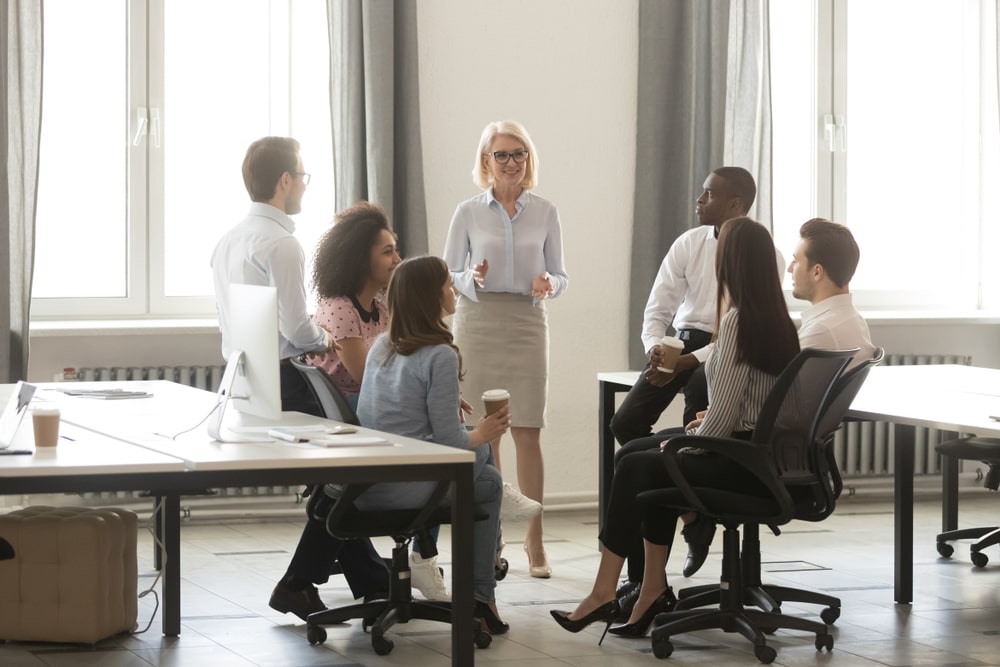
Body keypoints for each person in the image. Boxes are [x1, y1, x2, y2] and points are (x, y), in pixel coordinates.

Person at [551, 217, 800, 641]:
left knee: (637, 465)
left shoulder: (740, 322)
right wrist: (702, 427)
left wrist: (686, 443)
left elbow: (723, 420)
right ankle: (650, 591)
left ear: (732, 265)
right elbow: (751, 404)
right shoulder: (776, 321)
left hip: (740, 461)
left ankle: (604, 592)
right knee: (635, 454)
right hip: (755, 455)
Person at [612, 216, 877, 612]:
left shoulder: (814, 335)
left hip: (760, 462)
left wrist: (710, 428)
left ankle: (643, 586)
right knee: (642, 450)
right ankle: (648, 582)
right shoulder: (850, 324)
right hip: (793, 462)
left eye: (797, 260)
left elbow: (775, 407)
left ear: (818, 270)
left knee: (641, 460)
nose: (789, 268)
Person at [210, 137, 388, 621]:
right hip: (287, 379)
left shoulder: (228, 240)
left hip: (244, 381)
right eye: (303, 177)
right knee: (351, 473)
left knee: (335, 480)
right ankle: (303, 582)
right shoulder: (282, 243)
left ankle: (367, 579)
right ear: (284, 181)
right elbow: (296, 329)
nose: (305, 186)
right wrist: (327, 337)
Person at [356, 255, 512, 633]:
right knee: (487, 477)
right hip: (409, 487)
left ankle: (486, 586)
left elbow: (375, 413)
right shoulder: (439, 355)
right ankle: (480, 599)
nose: (454, 288)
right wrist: (486, 433)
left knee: (484, 471)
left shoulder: (381, 346)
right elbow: (450, 443)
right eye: (447, 284)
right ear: (430, 297)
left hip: (367, 485)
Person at [443, 120, 567, 578]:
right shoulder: (468, 212)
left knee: (528, 430)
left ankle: (535, 541)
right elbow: (448, 274)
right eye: (502, 155)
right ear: (485, 161)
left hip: (527, 321)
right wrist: (469, 279)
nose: (512, 162)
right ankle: (491, 540)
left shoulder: (546, 211)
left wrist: (549, 283)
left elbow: (561, 275)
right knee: (486, 431)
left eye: (519, 154)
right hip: (478, 322)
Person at [610, 167, 776, 448]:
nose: (699, 199)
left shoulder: (760, 250)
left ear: (735, 203)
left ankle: (689, 467)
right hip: (681, 344)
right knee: (625, 422)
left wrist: (690, 361)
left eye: (709, 194)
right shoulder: (689, 242)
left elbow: (742, 331)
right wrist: (655, 348)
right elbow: (658, 309)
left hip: (728, 347)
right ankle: (667, 469)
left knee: (699, 394)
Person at [307, 201, 400, 410]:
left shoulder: (380, 311)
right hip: (346, 408)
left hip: (366, 403)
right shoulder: (339, 310)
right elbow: (367, 376)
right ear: (360, 259)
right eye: (387, 252)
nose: (397, 259)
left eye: (395, 250)